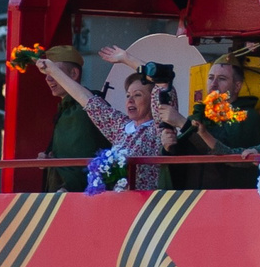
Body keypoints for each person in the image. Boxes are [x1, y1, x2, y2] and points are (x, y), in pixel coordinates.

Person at [36, 54, 177, 189]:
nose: (130, 100)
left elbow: (162, 82)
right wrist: (52, 71)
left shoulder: (158, 128)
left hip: (149, 204)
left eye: (138, 95)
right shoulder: (121, 127)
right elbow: (86, 99)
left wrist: (126, 58)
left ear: (152, 101)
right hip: (119, 203)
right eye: (128, 95)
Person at [168, 54, 260, 190]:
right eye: (210, 78)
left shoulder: (248, 117)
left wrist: (182, 124)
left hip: (229, 199)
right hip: (193, 198)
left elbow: (225, 152)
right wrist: (170, 145)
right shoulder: (198, 115)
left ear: (237, 86)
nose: (213, 84)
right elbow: (186, 157)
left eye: (222, 79)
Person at [35, 43, 107, 192]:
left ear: (74, 74)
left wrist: (68, 186)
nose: (48, 78)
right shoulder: (66, 109)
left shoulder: (81, 111)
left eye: (55, 72)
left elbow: (82, 158)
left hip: (73, 195)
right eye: (47, 73)